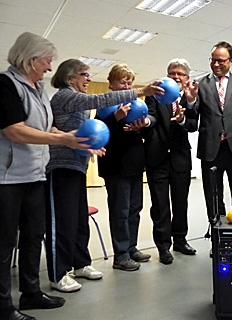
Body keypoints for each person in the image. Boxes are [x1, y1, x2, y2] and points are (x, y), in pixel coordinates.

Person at [45, 59, 163, 292]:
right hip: (61, 166)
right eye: (84, 74)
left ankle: (81, 264)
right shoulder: (66, 95)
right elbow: (100, 102)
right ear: (70, 78)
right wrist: (142, 90)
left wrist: (90, 147)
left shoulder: (77, 103)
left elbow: (77, 133)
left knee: (80, 220)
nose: (88, 79)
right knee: (65, 222)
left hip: (77, 164)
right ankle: (59, 274)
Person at [0, 32, 87, 320]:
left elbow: (44, 128)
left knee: (34, 236)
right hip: (8, 178)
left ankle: (31, 293)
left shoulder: (37, 89)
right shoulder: (6, 84)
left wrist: (70, 137)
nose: (50, 68)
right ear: (30, 58)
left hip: (36, 175)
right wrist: (63, 142)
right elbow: (15, 130)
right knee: (5, 242)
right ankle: (2, 306)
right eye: (47, 61)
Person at [185, 41, 232, 224]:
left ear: (231, 61)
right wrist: (190, 101)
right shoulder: (201, 84)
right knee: (213, 198)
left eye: (221, 61)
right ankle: (218, 239)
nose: (216, 64)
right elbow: (193, 114)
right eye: (213, 60)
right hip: (211, 150)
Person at [143, 58, 198, 264]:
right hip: (157, 157)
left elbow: (193, 125)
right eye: (172, 73)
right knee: (160, 205)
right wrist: (146, 121)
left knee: (180, 201)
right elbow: (152, 116)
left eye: (180, 74)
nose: (176, 77)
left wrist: (183, 119)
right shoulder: (155, 95)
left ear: (187, 79)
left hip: (180, 158)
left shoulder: (191, 98)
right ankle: (163, 246)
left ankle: (180, 240)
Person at [97, 64, 151, 272]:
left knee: (134, 209)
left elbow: (146, 134)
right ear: (111, 83)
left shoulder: (136, 105)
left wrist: (141, 127)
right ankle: (120, 255)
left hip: (135, 164)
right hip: (115, 167)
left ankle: (131, 247)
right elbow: (99, 133)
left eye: (129, 82)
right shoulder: (104, 106)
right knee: (120, 210)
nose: (126, 85)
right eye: (122, 81)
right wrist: (115, 119)